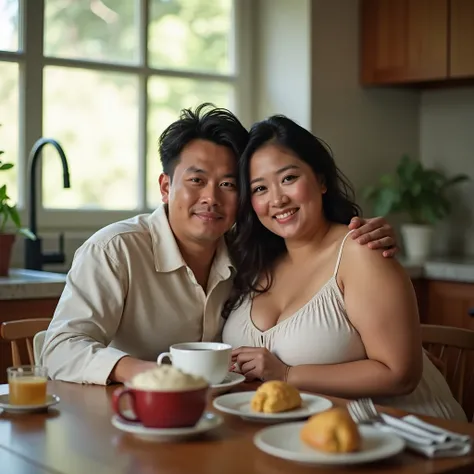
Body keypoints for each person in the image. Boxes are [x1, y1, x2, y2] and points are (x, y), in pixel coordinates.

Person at [41, 104, 398, 385]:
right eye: (196, 180)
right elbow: (59, 348)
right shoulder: (115, 251)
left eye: (228, 184)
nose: (211, 198)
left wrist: (365, 238)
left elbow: (324, 265)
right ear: (166, 187)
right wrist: (147, 373)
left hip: (226, 419)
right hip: (128, 415)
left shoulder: (250, 254)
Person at [222, 115, 466, 421]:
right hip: (311, 433)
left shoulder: (363, 252)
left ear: (321, 181)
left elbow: (400, 374)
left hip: (408, 435)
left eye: (288, 178)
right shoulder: (254, 262)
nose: (277, 199)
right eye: (259, 189)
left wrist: (286, 373)